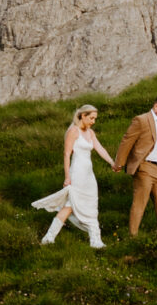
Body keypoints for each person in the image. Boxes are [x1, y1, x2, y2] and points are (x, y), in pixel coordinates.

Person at [31, 104, 116, 248]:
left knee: (91, 204)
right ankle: (49, 238)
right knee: (70, 205)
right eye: (91, 118)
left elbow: (99, 148)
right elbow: (66, 155)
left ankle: (95, 240)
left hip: (89, 175)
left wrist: (112, 162)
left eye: (95, 118)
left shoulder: (90, 132)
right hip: (77, 173)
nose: (93, 121)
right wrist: (67, 177)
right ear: (83, 116)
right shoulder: (73, 131)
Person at [114, 97, 157, 235]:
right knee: (140, 203)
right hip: (144, 166)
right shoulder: (141, 120)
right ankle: (133, 236)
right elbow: (127, 141)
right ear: (156, 107)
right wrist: (119, 163)